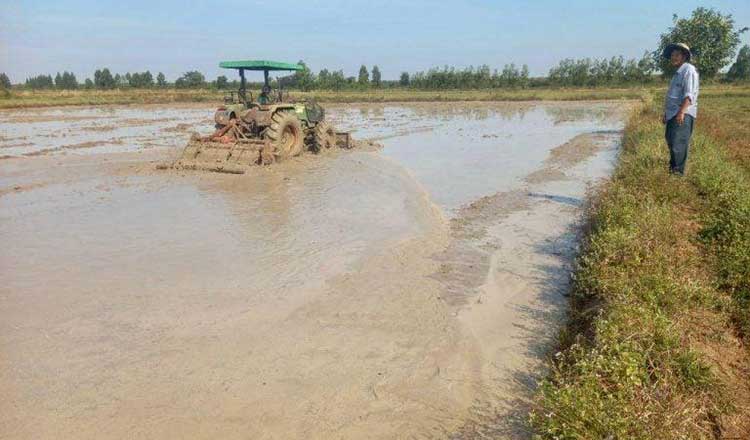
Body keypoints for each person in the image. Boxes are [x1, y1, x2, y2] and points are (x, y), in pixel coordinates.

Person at [662, 43, 699, 176]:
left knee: (678, 144)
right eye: (672, 55)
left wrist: (682, 112)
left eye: (677, 55)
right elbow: (672, 97)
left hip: (683, 113)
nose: (673, 57)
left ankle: (677, 174)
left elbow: (689, 95)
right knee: (671, 141)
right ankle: (673, 170)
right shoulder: (677, 73)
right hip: (673, 114)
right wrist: (666, 114)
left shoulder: (689, 70)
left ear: (684, 56)